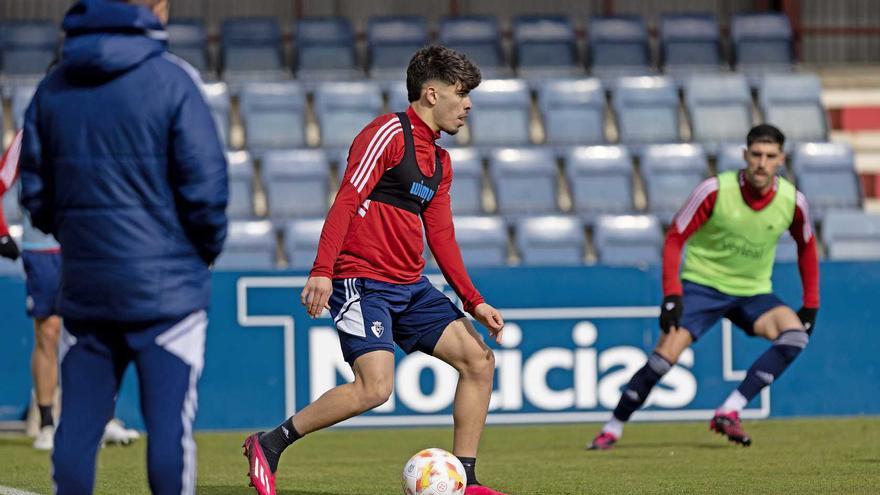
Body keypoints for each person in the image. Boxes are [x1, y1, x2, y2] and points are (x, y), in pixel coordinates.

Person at [242, 45, 507, 495]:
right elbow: (347, 199)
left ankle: (466, 479)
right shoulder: (387, 134)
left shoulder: (441, 163)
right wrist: (322, 271)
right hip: (362, 282)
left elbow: (441, 237)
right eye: (461, 94)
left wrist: (473, 300)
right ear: (430, 93)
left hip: (410, 286)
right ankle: (269, 444)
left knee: (479, 361)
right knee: (374, 387)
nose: (468, 105)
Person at [19, 0, 228, 492]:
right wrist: (203, 251)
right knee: (169, 433)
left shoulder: (53, 86)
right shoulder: (174, 79)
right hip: (169, 295)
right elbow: (208, 186)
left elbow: (35, 190)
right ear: (155, 8)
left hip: (87, 288)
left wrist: (74, 235)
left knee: (76, 432)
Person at [589, 124, 820, 450]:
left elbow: (807, 247)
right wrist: (672, 294)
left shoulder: (792, 201)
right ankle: (612, 427)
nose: (761, 163)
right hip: (702, 286)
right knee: (663, 359)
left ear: (781, 159)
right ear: (745, 155)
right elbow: (675, 238)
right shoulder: (714, 190)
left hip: (753, 292)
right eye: (756, 154)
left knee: (796, 336)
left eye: (770, 156)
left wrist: (811, 304)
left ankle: (730, 410)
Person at [1, 131, 140, 451]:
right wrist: (2, 232)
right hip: (44, 249)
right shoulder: (29, 135)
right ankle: (48, 422)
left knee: (102, 331)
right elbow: (1, 180)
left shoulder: (95, 125)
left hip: (90, 245)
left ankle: (103, 418)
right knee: (48, 332)